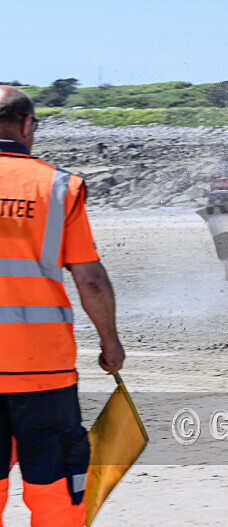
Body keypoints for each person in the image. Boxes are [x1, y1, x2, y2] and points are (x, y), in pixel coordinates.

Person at [0, 86, 125, 526]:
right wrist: (110, 343)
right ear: (27, 126)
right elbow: (89, 279)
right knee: (56, 489)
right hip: (43, 371)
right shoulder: (58, 187)